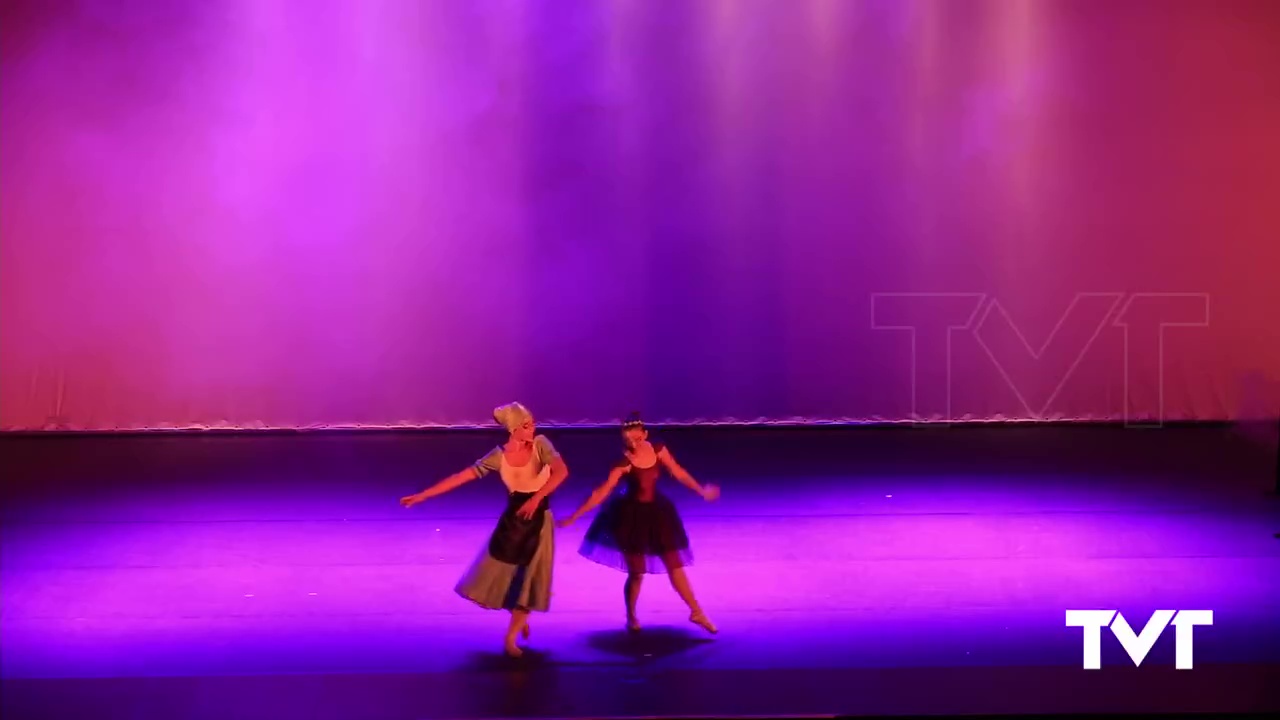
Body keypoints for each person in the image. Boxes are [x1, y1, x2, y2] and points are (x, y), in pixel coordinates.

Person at [401, 402, 568, 657]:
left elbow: (561, 472)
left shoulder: (541, 445)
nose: (533, 427)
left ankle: (511, 637)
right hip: (513, 524)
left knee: (531, 579)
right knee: (507, 578)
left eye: (533, 422)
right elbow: (461, 477)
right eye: (526, 424)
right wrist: (423, 495)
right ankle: (519, 616)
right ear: (513, 429)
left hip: (540, 524)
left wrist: (536, 498)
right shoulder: (498, 457)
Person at [559, 412, 719, 634]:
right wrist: (575, 516)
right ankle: (631, 615)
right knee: (636, 573)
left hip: (658, 515)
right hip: (630, 518)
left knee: (675, 564)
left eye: (637, 436)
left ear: (645, 434)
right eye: (628, 438)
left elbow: (678, 472)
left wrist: (701, 490)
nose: (633, 441)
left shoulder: (658, 450)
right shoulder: (623, 464)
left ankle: (696, 611)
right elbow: (601, 493)